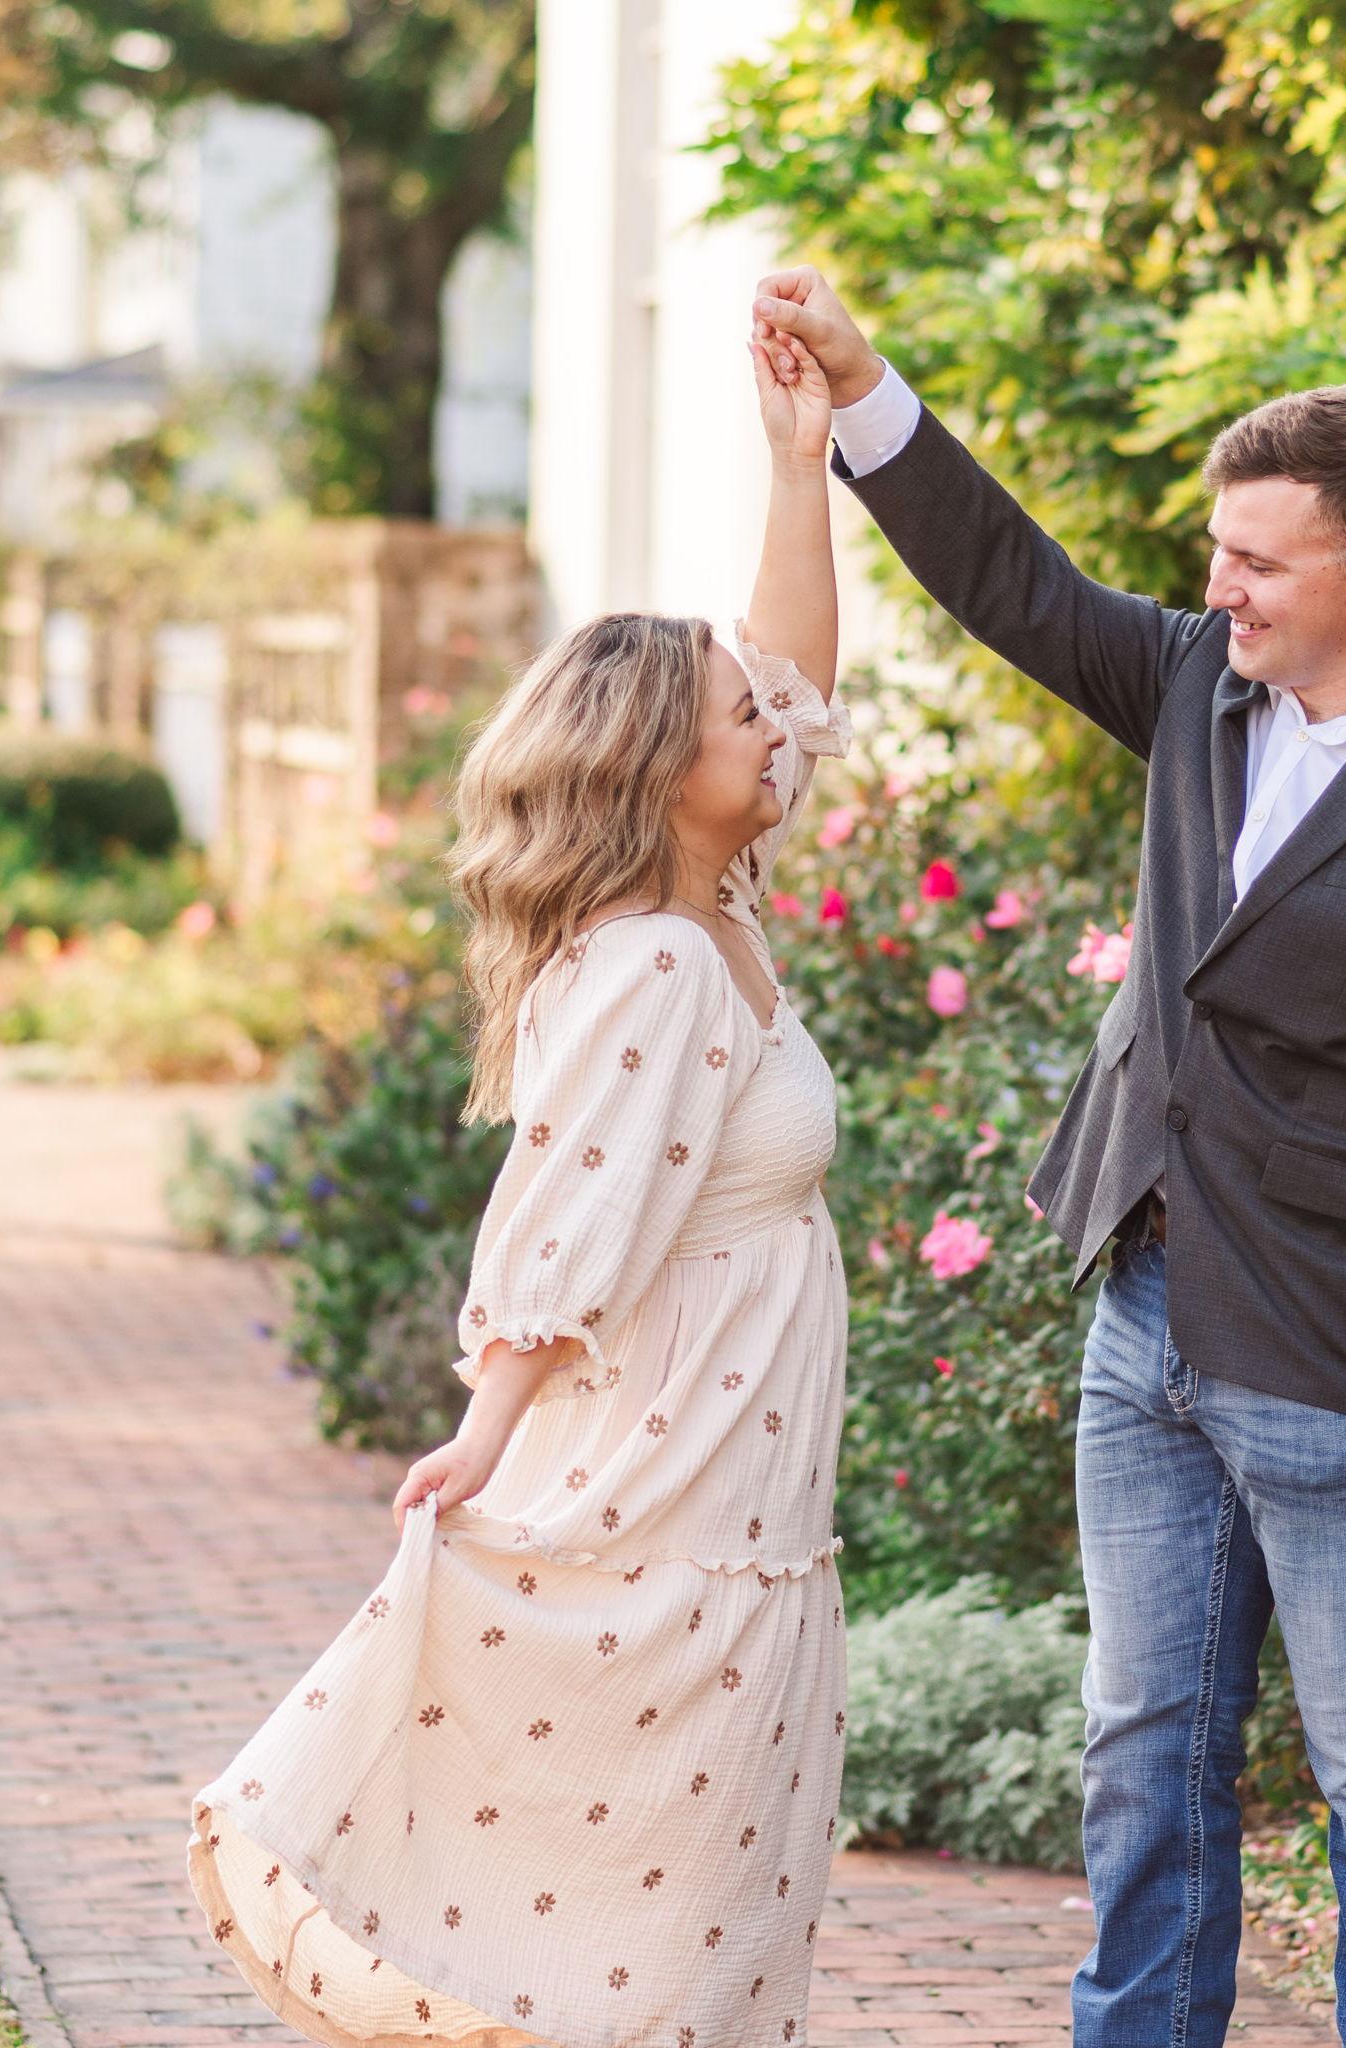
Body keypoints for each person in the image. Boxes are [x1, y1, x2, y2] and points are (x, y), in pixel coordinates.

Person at [750, 270, 1346, 2048]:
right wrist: (862, 389)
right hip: (1146, 1317)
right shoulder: (1204, 689)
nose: (1218, 590)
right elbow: (1017, 585)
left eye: (1257, 563)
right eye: (1215, 554)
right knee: (1143, 1756)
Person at [187, 330, 856, 2048]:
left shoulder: (723, 902)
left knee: (715, 1921)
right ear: (656, 770)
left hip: (745, 1506)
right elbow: (565, 1211)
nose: (771, 727)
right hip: (667, 1498)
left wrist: (803, 469)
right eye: (733, 716)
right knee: (660, 1939)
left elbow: (795, 673)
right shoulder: (653, 964)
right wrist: (486, 1432)